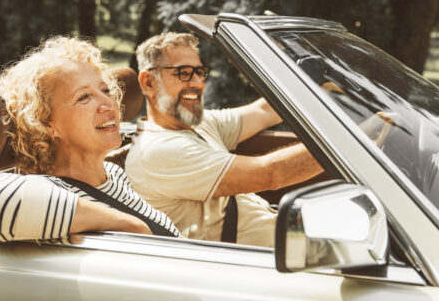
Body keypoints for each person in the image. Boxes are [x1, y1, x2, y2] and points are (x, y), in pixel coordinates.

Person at [0, 36, 181, 242]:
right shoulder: (51, 191)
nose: (109, 104)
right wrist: (132, 226)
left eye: (105, 90)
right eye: (84, 97)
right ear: (46, 122)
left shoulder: (113, 176)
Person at [124, 32, 324, 247]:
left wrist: (311, 78)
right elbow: (271, 174)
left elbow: (263, 111)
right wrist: (349, 146)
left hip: (291, 242)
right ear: (148, 83)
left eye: (200, 72)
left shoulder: (197, 123)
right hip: (254, 266)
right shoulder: (157, 151)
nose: (198, 83)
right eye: (184, 73)